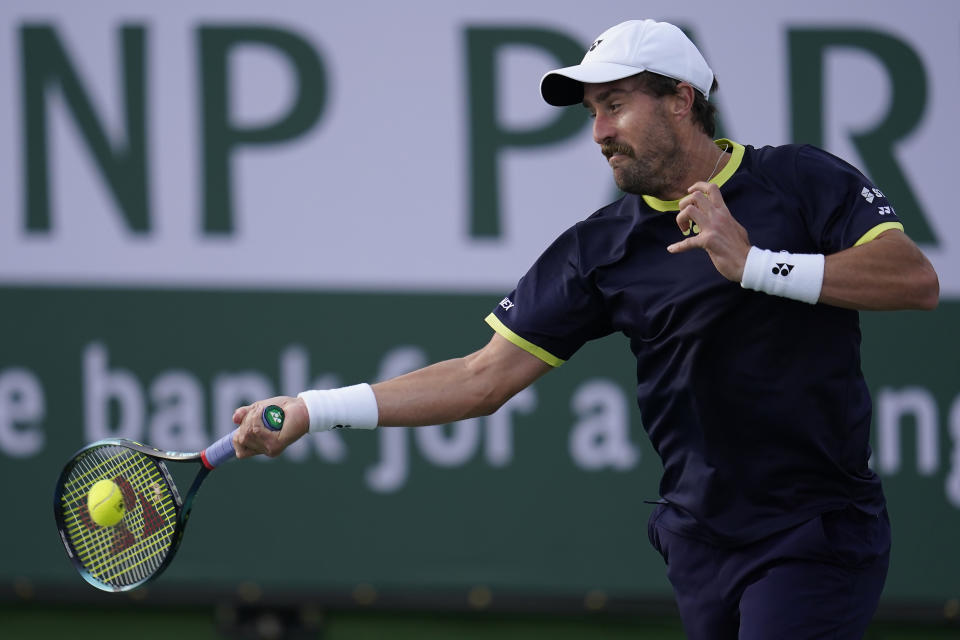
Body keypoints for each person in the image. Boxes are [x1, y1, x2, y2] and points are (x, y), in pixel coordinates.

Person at [230, 19, 939, 639]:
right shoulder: (597, 251)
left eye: (616, 105)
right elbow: (482, 379)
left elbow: (914, 281)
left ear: (681, 101)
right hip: (701, 542)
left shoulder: (801, 179)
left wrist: (756, 265)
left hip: (816, 529)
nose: (600, 131)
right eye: (593, 112)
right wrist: (312, 410)